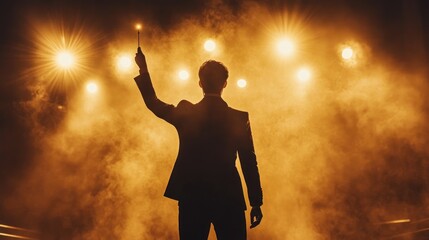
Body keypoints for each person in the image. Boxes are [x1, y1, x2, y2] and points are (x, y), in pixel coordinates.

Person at [134, 47, 263, 240]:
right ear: (225, 84)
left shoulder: (187, 113)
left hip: (192, 195)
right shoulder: (238, 118)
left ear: (200, 83)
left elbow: (153, 103)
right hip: (228, 198)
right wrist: (256, 202)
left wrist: (143, 69)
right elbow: (248, 162)